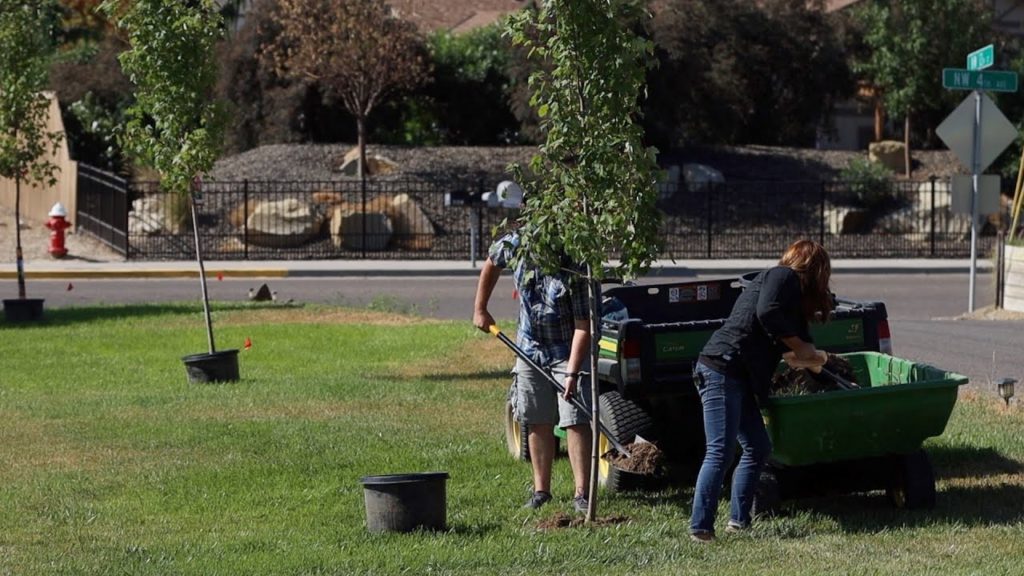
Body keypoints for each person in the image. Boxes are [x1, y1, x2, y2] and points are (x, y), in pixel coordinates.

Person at [689, 239, 833, 542]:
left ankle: (739, 522)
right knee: (720, 451)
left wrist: (822, 363)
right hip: (721, 367)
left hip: (741, 376)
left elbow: (803, 351)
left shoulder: (794, 303)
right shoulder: (781, 276)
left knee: (758, 446)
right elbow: (767, 313)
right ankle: (700, 527)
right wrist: (801, 347)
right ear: (814, 267)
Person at [473, 231, 594, 513]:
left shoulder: (575, 262)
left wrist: (572, 374)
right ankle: (542, 491)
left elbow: (583, 326)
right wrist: (480, 308)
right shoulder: (518, 244)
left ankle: (582, 495)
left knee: (574, 419)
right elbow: (492, 261)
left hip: (567, 350)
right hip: (529, 349)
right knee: (536, 417)